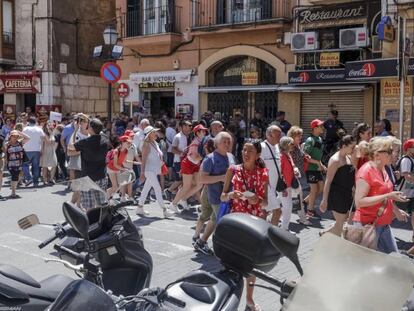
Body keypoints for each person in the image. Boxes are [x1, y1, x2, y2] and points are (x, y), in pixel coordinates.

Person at [221, 140, 268, 311]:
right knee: (230, 263)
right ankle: (227, 298)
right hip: (235, 223)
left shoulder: (263, 173)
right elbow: (222, 197)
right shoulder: (232, 170)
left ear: (258, 155)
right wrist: (231, 195)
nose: (245, 153)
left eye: (250, 151)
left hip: (254, 225)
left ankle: (249, 299)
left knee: (251, 265)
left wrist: (257, 199)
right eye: (243, 149)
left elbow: (265, 202)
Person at [354, 136, 409, 254]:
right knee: (367, 265)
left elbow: (385, 195)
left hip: (383, 225)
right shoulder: (366, 171)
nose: (394, 154)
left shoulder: (383, 168)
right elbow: (359, 202)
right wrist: (388, 196)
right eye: (389, 151)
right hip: (368, 225)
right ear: (377, 154)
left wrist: (395, 209)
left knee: (393, 261)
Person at [193, 132, 234, 255]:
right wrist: (221, 177)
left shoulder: (231, 156)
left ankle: (200, 241)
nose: (227, 144)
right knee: (222, 223)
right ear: (217, 144)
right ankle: (224, 249)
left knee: (214, 219)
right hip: (216, 196)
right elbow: (202, 179)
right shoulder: (210, 159)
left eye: (229, 142)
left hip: (228, 195)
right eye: (224, 142)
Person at [67, 118, 109, 210]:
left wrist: (75, 131)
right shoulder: (105, 140)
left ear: (90, 128)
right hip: (101, 176)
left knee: (89, 206)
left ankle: (91, 223)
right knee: (102, 204)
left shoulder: (86, 142)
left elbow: (71, 146)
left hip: (87, 178)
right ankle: (101, 222)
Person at [320, 135, 356, 236]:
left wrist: (354, 189)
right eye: (352, 147)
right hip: (337, 195)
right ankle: (325, 236)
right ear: (344, 146)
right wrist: (324, 200)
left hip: (347, 193)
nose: (354, 149)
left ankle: (327, 234)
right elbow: (328, 181)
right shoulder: (335, 160)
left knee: (345, 221)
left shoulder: (348, 157)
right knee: (340, 225)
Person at [136, 126, 175, 218]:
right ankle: (164, 210)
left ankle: (139, 207)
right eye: (154, 132)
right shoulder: (146, 144)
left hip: (154, 170)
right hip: (149, 171)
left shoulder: (154, 143)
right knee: (157, 188)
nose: (156, 133)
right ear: (149, 134)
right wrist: (142, 173)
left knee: (146, 189)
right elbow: (144, 160)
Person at [171, 124, 208, 211]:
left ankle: (183, 200)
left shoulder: (201, 141)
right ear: (197, 133)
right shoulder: (196, 143)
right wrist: (205, 156)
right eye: (202, 131)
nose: (204, 132)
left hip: (195, 165)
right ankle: (173, 204)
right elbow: (195, 158)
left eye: (204, 131)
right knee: (186, 186)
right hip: (188, 164)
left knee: (199, 184)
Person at [287, 126, 311, 225]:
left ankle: (271, 212)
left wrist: (305, 156)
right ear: (293, 136)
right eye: (298, 136)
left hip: (295, 176)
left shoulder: (297, 145)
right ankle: (302, 218)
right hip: (291, 176)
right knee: (298, 196)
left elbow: (300, 155)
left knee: (286, 197)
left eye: (300, 135)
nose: (300, 138)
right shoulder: (290, 146)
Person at [303, 119, 326, 219]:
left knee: (321, 188)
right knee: (314, 189)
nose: (322, 128)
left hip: (317, 168)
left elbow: (317, 156)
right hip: (311, 168)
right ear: (315, 128)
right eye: (321, 126)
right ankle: (310, 211)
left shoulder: (319, 139)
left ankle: (305, 202)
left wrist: (321, 164)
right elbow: (306, 156)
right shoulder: (310, 140)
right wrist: (317, 163)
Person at [260, 125, 282, 225]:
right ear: (269, 135)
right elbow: (259, 168)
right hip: (266, 187)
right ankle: (272, 235)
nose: (280, 137)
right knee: (278, 211)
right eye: (277, 135)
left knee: (264, 212)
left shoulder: (277, 147)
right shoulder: (262, 147)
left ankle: (262, 233)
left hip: (275, 187)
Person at [165, 120, 192, 199]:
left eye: (189, 126)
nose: (188, 128)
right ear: (181, 127)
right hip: (179, 161)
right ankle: (169, 191)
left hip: (187, 161)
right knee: (181, 180)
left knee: (183, 180)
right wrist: (182, 153)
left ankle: (175, 194)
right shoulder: (177, 137)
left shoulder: (189, 136)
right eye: (185, 126)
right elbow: (173, 149)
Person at [278, 136, 300, 231]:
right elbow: (279, 171)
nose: (293, 145)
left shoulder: (288, 154)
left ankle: (272, 217)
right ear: (286, 145)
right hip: (284, 186)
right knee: (288, 207)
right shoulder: (281, 156)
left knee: (278, 202)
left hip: (289, 185)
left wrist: (295, 170)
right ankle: (284, 228)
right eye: (291, 143)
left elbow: (292, 166)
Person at [67, 114, 90, 201]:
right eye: (85, 122)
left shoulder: (90, 135)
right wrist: (83, 150)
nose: (87, 124)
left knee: (83, 188)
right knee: (78, 189)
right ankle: (74, 205)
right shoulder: (76, 134)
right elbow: (69, 151)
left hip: (88, 165)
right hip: (79, 165)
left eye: (88, 122)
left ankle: (77, 205)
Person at [396, 139, 414, 242]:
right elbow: (407, 176)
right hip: (403, 193)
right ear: (408, 148)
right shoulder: (406, 160)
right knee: (393, 213)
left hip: (411, 193)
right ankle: (377, 227)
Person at [5, 130, 30, 198]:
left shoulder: (20, 142)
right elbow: (5, 154)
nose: (15, 137)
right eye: (13, 136)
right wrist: (5, 163)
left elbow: (28, 138)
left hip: (19, 163)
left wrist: (19, 132)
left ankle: (13, 190)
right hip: (11, 164)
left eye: (16, 136)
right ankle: (13, 192)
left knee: (17, 177)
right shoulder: (7, 144)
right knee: (14, 177)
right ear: (10, 136)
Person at [22, 117, 45, 187]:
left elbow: (22, 139)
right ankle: (36, 181)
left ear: (29, 122)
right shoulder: (39, 129)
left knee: (24, 165)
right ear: (36, 122)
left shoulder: (25, 129)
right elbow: (42, 140)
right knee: (36, 166)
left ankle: (29, 178)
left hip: (27, 149)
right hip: (37, 149)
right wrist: (42, 150)